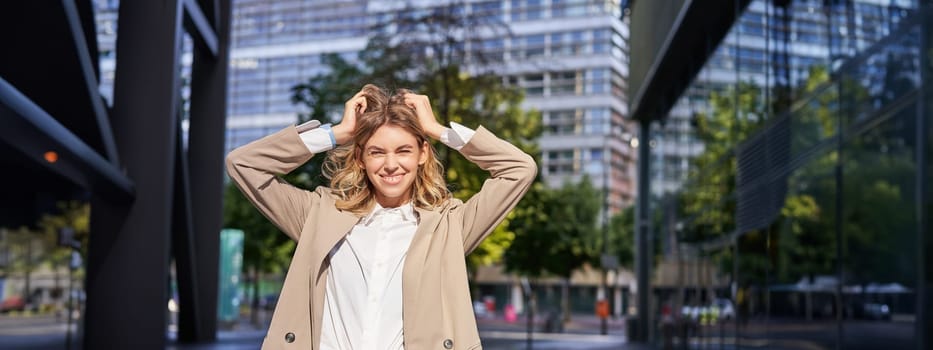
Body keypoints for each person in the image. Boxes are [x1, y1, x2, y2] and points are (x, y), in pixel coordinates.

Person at [226, 84, 537, 350]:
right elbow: (244, 165)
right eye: (377, 152)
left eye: (403, 150)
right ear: (360, 157)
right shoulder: (319, 214)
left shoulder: (448, 225)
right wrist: (337, 134)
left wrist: (438, 130)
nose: (391, 164)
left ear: (422, 154)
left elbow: (519, 170)